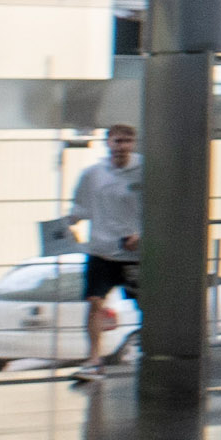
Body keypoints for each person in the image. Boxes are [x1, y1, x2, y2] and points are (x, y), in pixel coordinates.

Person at [72, 123, 144, 372]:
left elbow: (159, 207)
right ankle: (94, 358)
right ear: (107, 142)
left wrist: (143, 235)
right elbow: (80, 208)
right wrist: (65, 226)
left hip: (135, 253)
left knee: (145, 304)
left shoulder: (144, 171)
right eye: (116, 141)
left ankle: (149, 352)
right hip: (101, 249)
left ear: (133, 143)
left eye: (126, 141)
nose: (121, 146)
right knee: (94, 302)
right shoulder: (93, 173)